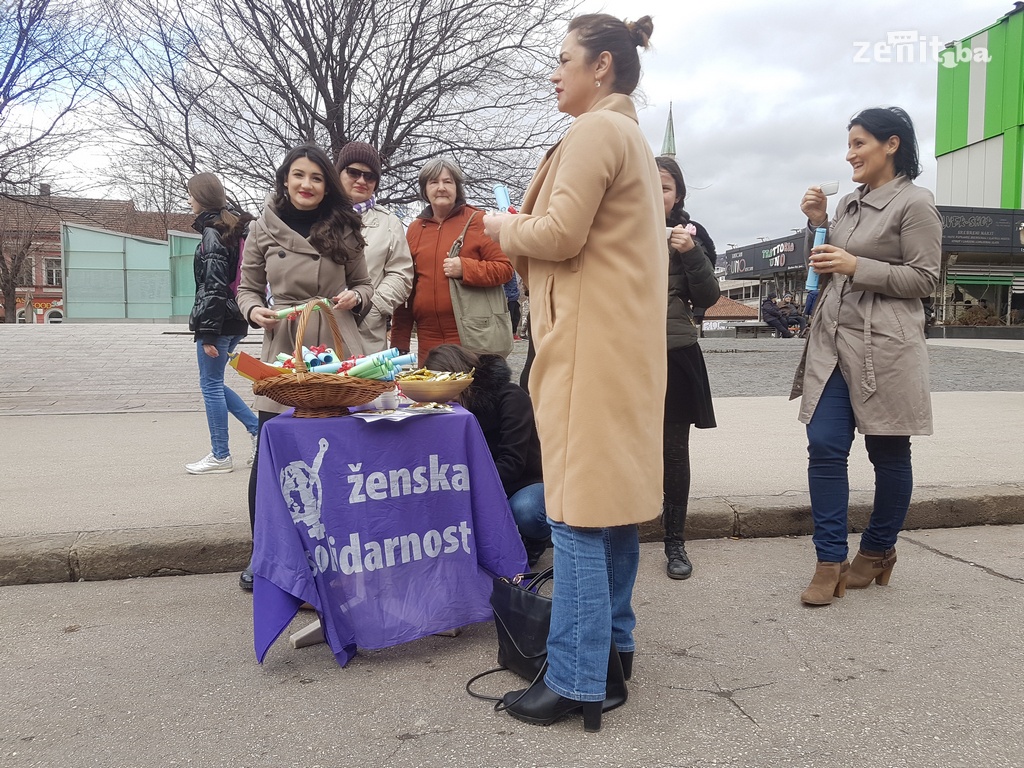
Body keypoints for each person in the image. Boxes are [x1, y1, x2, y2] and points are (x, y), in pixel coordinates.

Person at [483, 13, 664, 731]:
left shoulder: (596, 131)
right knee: (609, 513)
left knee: (576, 518)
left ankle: (578, 678)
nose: (555, 72)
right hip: (616, 349)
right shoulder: (628, 135)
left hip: (589, 352)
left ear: (603, 68)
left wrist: (499, 227)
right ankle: (613, 659)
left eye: (564, 60)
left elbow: (559, 233)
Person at [794, 106, 941, 605]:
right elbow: (828, 266)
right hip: (833, 341)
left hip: (887, 346)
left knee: (888, 453)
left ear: (891, 145)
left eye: (859, 143)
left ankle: (878, 551)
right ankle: (828, 559)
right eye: (849, 143)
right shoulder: (848, 207)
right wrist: (819, 224)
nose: (850, 153)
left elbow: (926, 279)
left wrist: (858, 264)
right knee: (825, 444)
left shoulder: (916, 204)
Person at [235, 144, 373, 590]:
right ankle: (264, 556)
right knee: (272, 451)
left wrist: (358, 297)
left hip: (336, 343)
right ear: (285, 179)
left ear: (325, 184)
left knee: (336, 449)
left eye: (316, 177)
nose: (306, 185)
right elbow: (248, 289)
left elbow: (364, 284)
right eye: (298, 175)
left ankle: (339, 551)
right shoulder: (260, 228)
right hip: (284, 347)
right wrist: (254, 311)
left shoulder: (345, 224)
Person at [423, 344, 549, 566]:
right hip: (478, 481)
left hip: (523, 483)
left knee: (527, 511)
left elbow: (513, 463)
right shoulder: (447, 407)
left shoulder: (511, 397)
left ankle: (536, 538)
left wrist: (466, 487)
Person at [655, 156, 720, 580]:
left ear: (677, 194)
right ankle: (616, 528)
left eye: (664, 186)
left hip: (673, 350)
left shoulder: (691, 236)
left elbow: (709, 297)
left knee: (673, 451)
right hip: (618, 353)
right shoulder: (613, 226)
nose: (656, 194)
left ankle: (674, 540)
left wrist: (690, 252)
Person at [390, 158, 514, 365]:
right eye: (433, 182)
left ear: (457, 187)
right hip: (428, 338)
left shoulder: (478, 221)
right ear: (424, 189)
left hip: (471, 334)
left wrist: (465, 268)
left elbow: (505, 269)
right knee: (434, 395)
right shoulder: (414, 229)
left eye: (448, 182)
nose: (441, 188)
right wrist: (399, 341)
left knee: (472, 395)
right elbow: (406, 288)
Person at [184, 173, 260, 475]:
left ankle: (220, 454)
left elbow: (214, 286)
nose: (188, 200)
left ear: (201, 197)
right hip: (234, 318)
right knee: (213, 383)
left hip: (220, 321)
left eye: (190, 194)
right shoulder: (231, 228)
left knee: (210, 385)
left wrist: (207, 332)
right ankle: (257, 430)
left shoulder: (213, 233)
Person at [334, 142, 414, 353]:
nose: (361, 180)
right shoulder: (315, 215)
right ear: (339, 173)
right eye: (353, 172)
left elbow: (401, 274)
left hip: (366, 333)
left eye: (369, 176)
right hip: (318, 330)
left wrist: (372, 307)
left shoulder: (389, 223)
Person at [504, 273, 522, 340]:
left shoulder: (514, 272)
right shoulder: (509, 270)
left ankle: (513, 333)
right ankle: (508, 334)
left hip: (515, 297)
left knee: (516, 316)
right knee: (510, 316)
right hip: (509, 297)